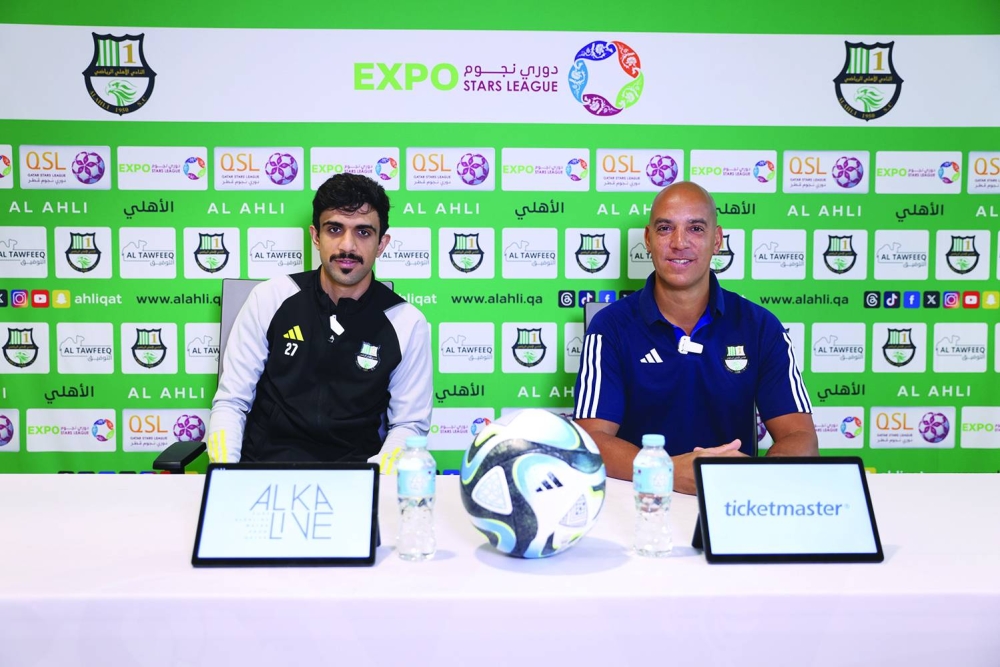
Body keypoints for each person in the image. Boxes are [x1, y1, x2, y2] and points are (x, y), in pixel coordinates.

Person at [573, 181, 817, 494]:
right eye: (665, 228)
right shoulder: (610, 327)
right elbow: (590, 440)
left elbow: (802, 438)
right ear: (648, 239)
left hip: (732, 503)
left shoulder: (761, 326)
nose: (679, 242)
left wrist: (756, 478)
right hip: (642, 504)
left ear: (717, 240)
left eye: (696, 228)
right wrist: (666, 472)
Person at [206, 173, 432, 464]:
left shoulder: (406, 322)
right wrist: (226, 474)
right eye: (335, 229)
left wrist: (375, 480)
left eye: (363, 232)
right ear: (315, 236)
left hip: (354, 477)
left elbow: (408, 426)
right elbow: (231, 402)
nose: (347, 246)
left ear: (382, 243)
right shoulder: (271, 298)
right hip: (264, 470)